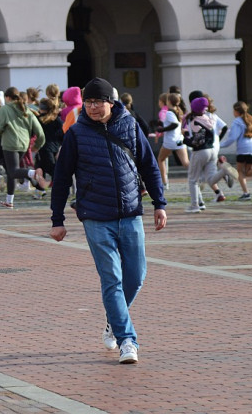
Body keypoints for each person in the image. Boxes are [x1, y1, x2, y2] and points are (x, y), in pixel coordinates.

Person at [49, 77, 167, 365]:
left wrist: (159, 203)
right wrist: (57, 218)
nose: (92, 107)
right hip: (95, 217)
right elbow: (62, 178)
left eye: (98, 102)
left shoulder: (129, 125)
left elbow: (149, 165)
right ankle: (128, 340)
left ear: (110, 103)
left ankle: (114, 320)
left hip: (130, 213)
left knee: (136, 276)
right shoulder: (76, 134)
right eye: (88, 102)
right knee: (112, 279)